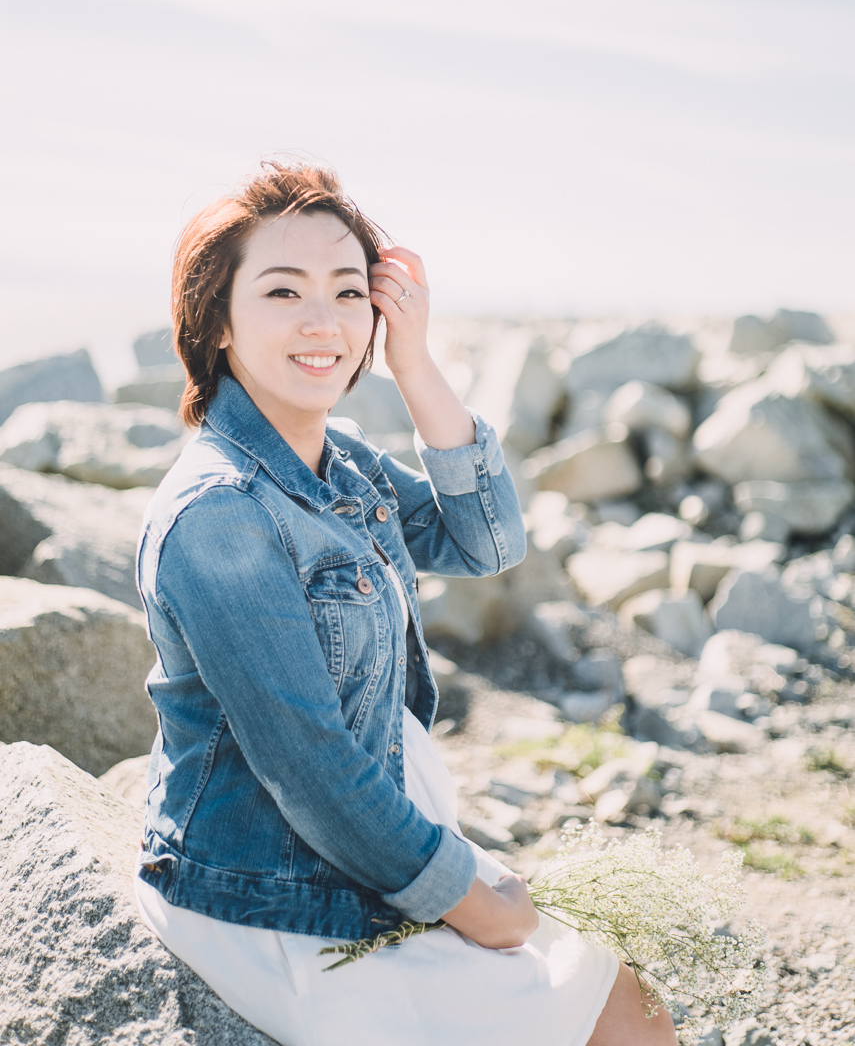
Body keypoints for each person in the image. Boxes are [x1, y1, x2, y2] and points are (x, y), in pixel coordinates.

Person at [134, 160, 676, 1046]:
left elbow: (489, 541)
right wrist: (467, 898)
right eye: (281, 292)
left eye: (350, 292)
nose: (324, 321)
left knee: (630, 1005)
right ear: (217, 321)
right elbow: (307, 766)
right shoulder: (218, 515)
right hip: (270, 890)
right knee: (616, 1015)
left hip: (374, 834)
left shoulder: (338, 459)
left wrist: (416, 364)